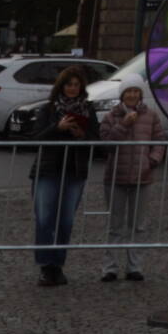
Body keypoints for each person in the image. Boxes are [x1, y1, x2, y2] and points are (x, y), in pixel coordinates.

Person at [27, 66, 100, 287]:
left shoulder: (88, 109)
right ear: (61, 86)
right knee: (45, 218)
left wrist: (81, 135)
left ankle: (58, 264)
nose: (72, 88)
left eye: (76, 85)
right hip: (48, 169)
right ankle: (45, 266)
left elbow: (96, 140)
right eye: (69, 84)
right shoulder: (49, 109)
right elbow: (34, 138)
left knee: (66, 221)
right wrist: (57, 128)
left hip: (74, 171)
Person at [98, 83, 166, 284]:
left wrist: (152, 160)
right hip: (116, 177)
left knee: (138, 225)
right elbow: (106, 143)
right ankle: (110, 267)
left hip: (142, 177)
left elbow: (159, 140)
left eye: (136, 91)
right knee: (115, 225)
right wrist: (124, 124)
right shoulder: (111, 116)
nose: (133, 95)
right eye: (129, 92)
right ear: (122, 95)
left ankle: (134, 266)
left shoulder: (151, 116)